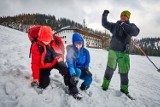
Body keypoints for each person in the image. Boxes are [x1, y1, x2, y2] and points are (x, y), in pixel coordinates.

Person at [30, 26, 81, 99]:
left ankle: (73, 89)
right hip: (44, 66)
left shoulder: (57, 40)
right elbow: (35, 63)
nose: (46, 42)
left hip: (56, 61)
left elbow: (62, 51)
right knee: (43, 84)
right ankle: (44, 79)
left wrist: (60, 58)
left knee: (65, 70)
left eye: (48, 40)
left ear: (51, 37)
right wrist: (35, 78)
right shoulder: (36, 45)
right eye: (44, 41)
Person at [101, 10, 140, 94]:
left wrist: (124, 25)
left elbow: (136, 32)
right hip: (113, 51)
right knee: (110, 69)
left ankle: (124, 90)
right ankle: (104, 86)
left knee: (124, 72)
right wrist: (104, 15)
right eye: (122, 15)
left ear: (128, 17)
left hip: (124, 53)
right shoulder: (115, 25)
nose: (123, 16)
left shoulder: (131, 25)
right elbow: (104, 24)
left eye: (125, 15)